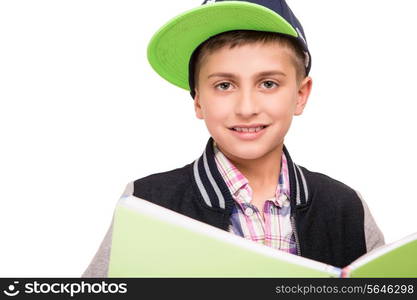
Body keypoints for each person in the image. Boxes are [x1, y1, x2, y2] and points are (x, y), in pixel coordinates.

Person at [82, 0, 385, 277]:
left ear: (300, 95)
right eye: (225, 85)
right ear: (199, 101)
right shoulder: (148, 203)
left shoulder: (345, 207)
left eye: (268, 83)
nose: (247, 108)